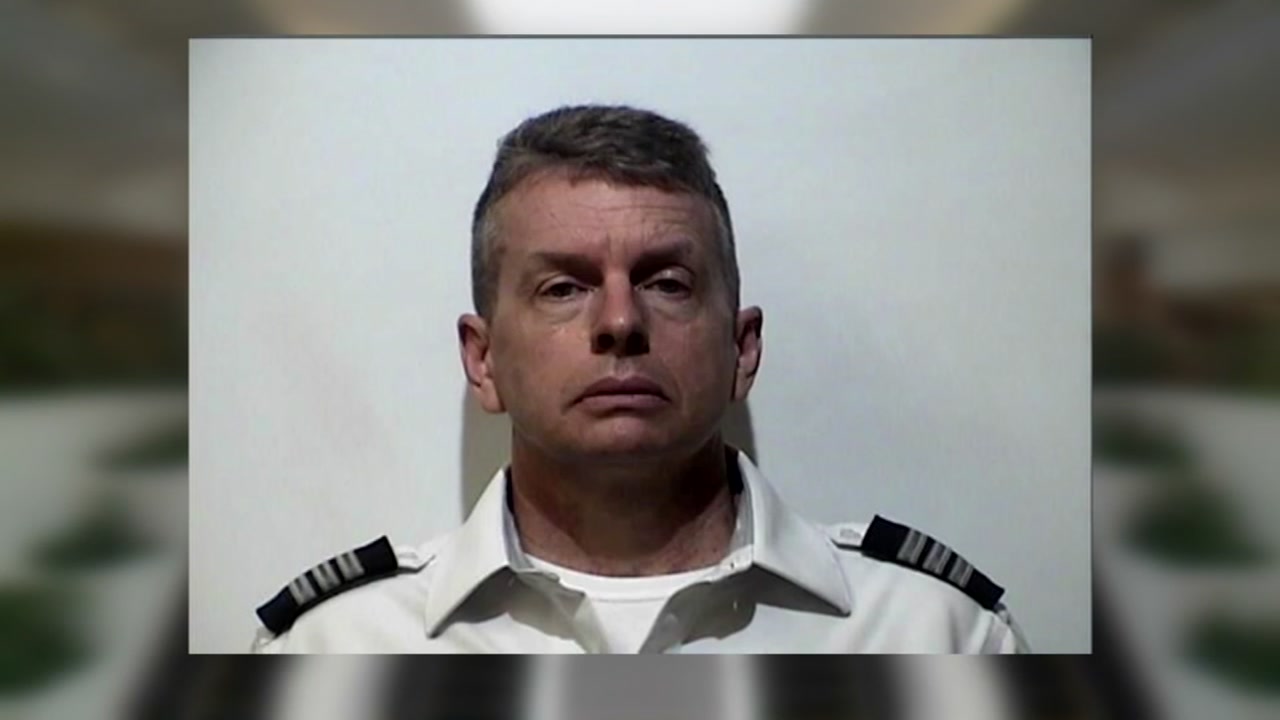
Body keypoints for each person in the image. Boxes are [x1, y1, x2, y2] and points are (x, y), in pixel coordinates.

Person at [251, 104, 1029, 654]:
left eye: (667, 282)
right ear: (482, 360)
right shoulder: (335, 645)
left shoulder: (936, 634)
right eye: (563, 287)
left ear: (742, 348)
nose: (620, 321)